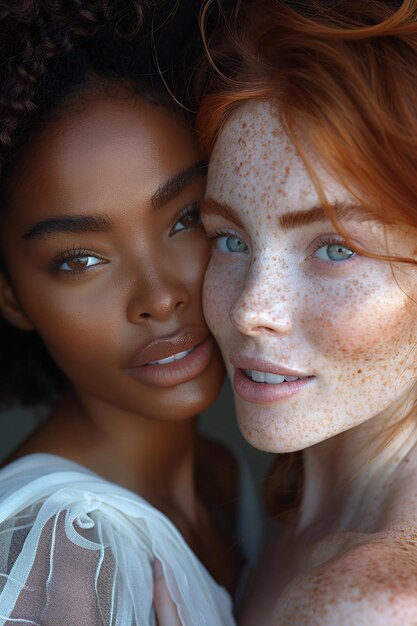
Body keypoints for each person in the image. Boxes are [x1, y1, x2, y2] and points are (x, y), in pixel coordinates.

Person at [154, 0, 417, 624]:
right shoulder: (287, 512)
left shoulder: (370, 604)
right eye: (229, 239)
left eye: (335, 249)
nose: (251, 309)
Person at [0, 1, 261, 624]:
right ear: (11, 297)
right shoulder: (61, 548)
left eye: (186, 218)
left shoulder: (220, 481)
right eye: (80, 260)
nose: (158, 297)